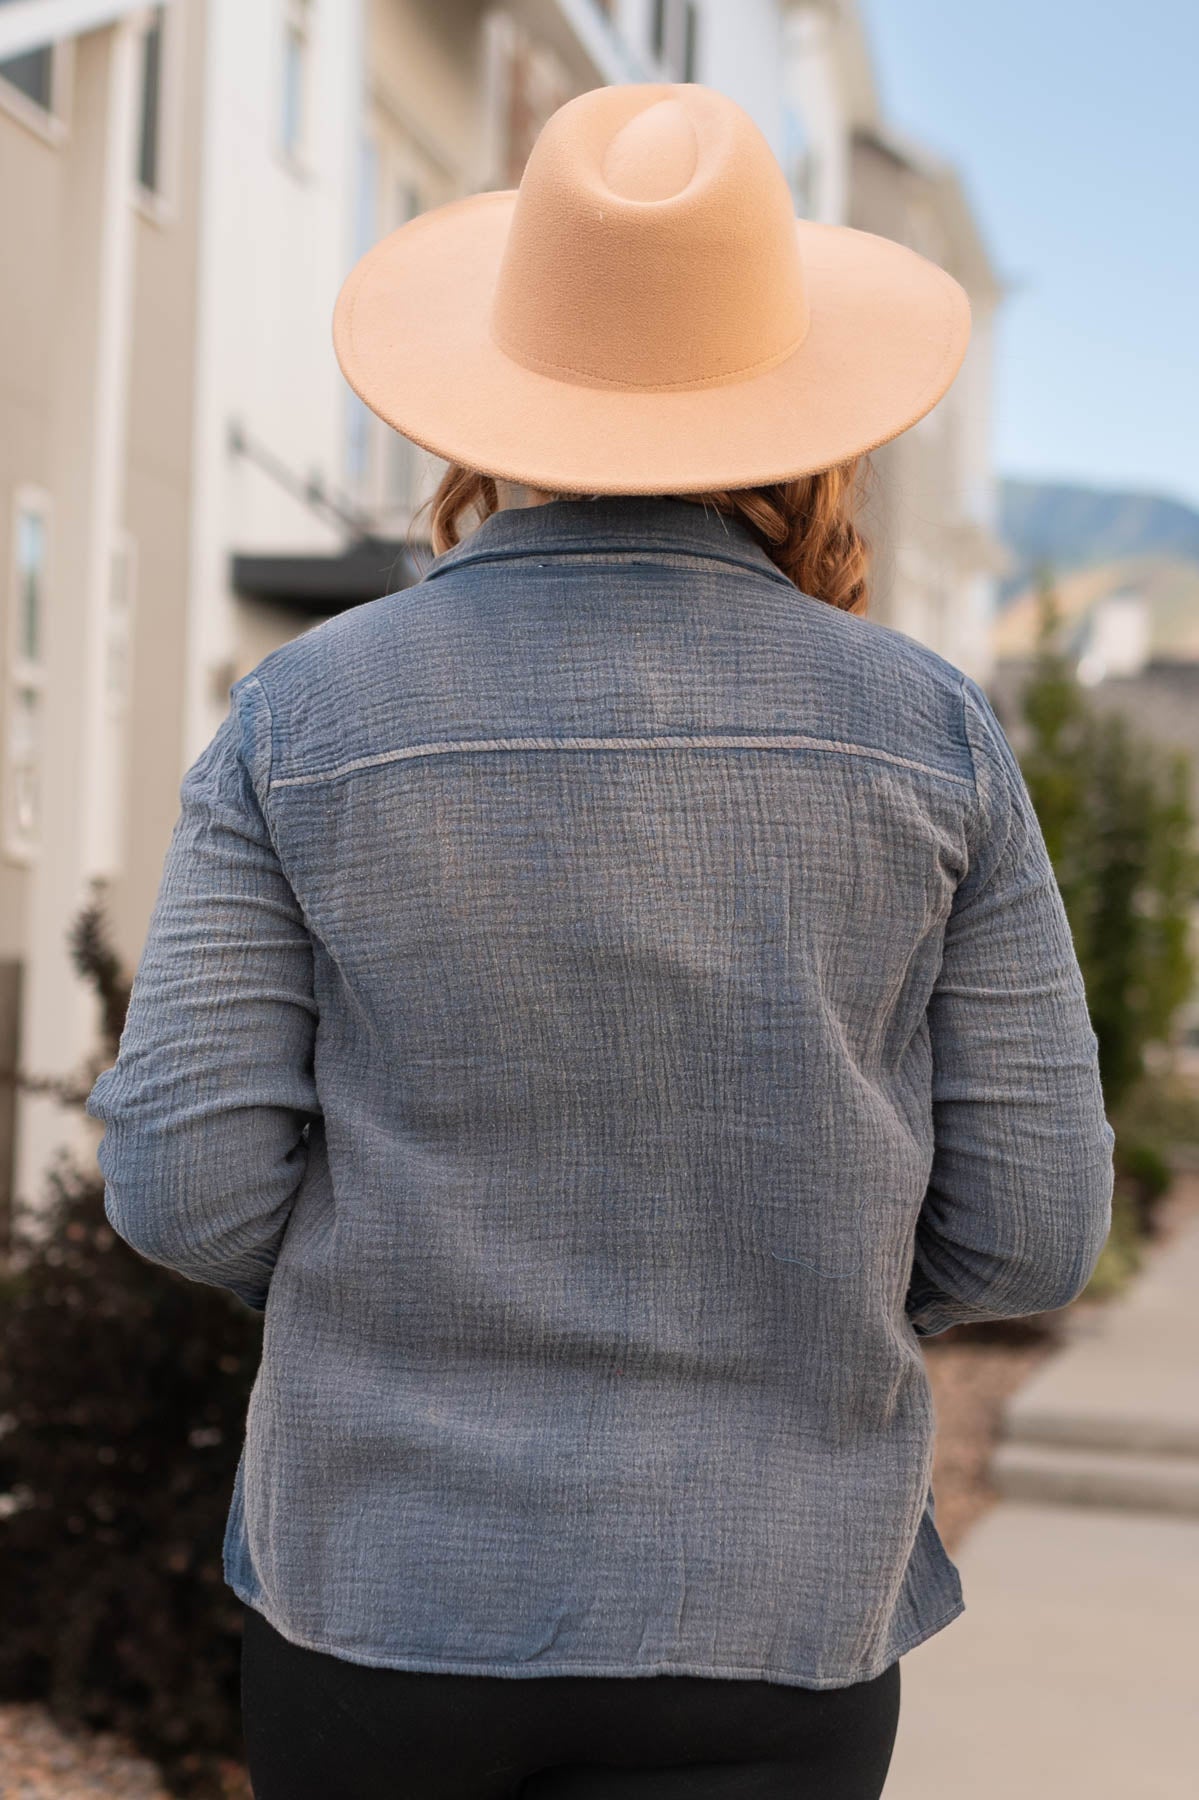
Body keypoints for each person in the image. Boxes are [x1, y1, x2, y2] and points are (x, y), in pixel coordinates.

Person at [85, 82, 1115, 1799]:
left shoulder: (306, 711)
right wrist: (796, 1278)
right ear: (806, 411)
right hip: (774, 1599)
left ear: (494, 400)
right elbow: (1034, 1230)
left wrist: (401, 1276)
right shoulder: (928, 733)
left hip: (381, 1588)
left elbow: (182, 1180)